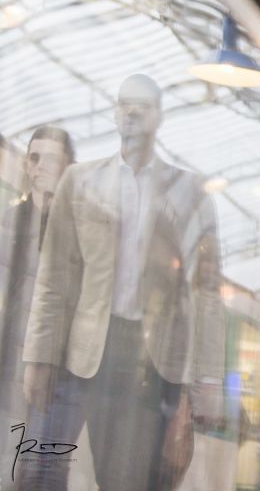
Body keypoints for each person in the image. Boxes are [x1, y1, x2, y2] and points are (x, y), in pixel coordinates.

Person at [20, 74, 225, 490]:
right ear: (114, 113)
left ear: (158, 117)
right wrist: (37, 356)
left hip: (145, 361)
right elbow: (53, 277)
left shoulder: (189, 194)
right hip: (82, 349)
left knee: (122, 479)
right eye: (124, 103)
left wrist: (205, 382)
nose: (132, 111)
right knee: (38, 470)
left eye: (143, 105)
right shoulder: (80, 182)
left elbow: (206, 295)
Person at [0, 126, 75, 488]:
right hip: (10, 368)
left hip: (56, 376)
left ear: (68, 167)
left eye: (51, 158)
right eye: (33, 157)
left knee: (46, 471)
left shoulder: (80, 231)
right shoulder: (8, 224)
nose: (40, 166)